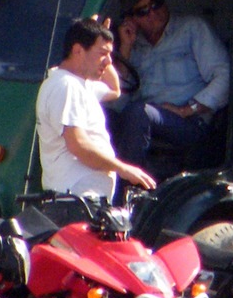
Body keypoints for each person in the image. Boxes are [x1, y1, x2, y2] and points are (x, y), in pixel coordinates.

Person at [110, 0, 230, 177]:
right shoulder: (131, 45)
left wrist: (185, 110)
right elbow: (117, 104)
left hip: (190, 123)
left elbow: (225, 76)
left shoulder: (192, 28)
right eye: (142, 11)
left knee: (139, 112)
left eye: (156, 4)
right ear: (131, 19)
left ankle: (127, 190)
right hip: (144, 123)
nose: (153, 13)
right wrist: (125, 50)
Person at [36, 16, 156, 199]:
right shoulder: (66, 86)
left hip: (86, 194)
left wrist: (100, 36)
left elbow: (115, 90)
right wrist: (122, 168)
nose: (109, 61)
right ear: (78, 51)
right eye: (102, 54)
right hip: (75, 196)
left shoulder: (82, 84)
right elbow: (79, 145)